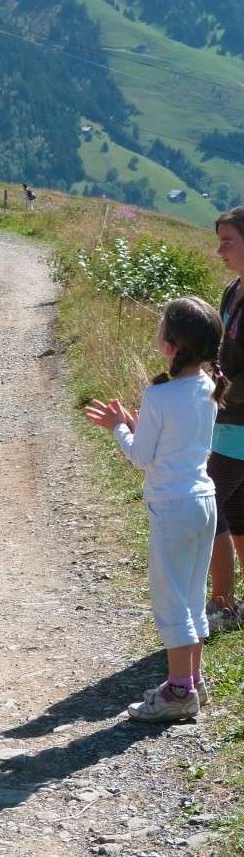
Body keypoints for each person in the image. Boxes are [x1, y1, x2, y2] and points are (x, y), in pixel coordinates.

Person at [85, 296, 225, 722]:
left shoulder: (159, 394)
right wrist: (137, 423)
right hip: (204, 502)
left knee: (171, 604)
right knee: (192, 596)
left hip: (172, 507)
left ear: (171, 345)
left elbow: (142, 456)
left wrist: (121, 428)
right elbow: (176, 444)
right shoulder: (208, 386)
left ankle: (179, 691)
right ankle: (193, 681)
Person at [207, 207, 244, 631]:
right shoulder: (233, 290)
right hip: (227, 419)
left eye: (227, 241)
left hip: (242, 421)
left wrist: (223, 390)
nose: (219, 250)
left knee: (209, 504)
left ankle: (222, 604)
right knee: (236, 508)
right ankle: (229, 602)